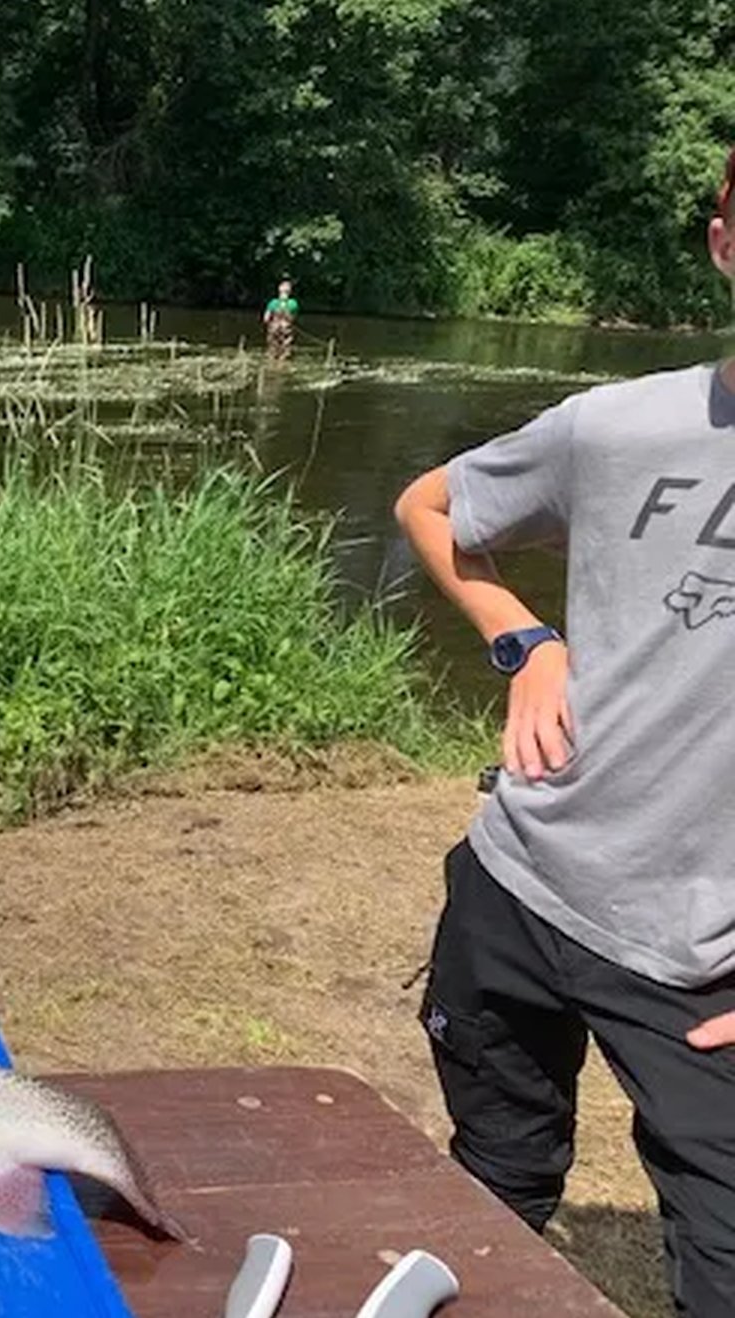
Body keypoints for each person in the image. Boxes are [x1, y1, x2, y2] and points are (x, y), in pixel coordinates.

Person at [393, 149, 735, 1315]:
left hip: (704, 957)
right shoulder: (619, 428)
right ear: (724, 243)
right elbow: (430, 507)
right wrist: (524, 641)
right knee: (492, 1189)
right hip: (520, 888)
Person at [263, 279, 298, 360]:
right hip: (286, 329)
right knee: (285, 351)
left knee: (272, 350)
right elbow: (293, 318)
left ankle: (272, 362)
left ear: (279, 290)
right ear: (290, 292)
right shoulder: (293, 303)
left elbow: (266, 318)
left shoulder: (273, 302)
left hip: (273, 328)